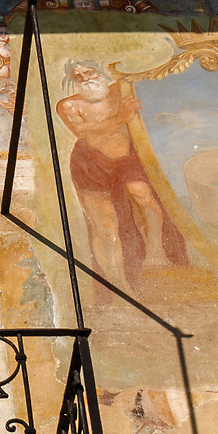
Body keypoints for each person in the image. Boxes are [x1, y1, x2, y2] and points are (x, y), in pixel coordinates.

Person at [54, 59, 188, 285]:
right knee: (105, 226)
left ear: (99, 71)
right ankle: (118, 285)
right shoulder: (69, 105)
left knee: (142, 195)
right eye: (79, 76)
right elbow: (82, 131)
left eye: (89, 72)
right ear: (73, 81)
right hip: (90, 165)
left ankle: (156, 253)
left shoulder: (119, 91)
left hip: (125, 160)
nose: (86, 78)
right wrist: (119, 118)